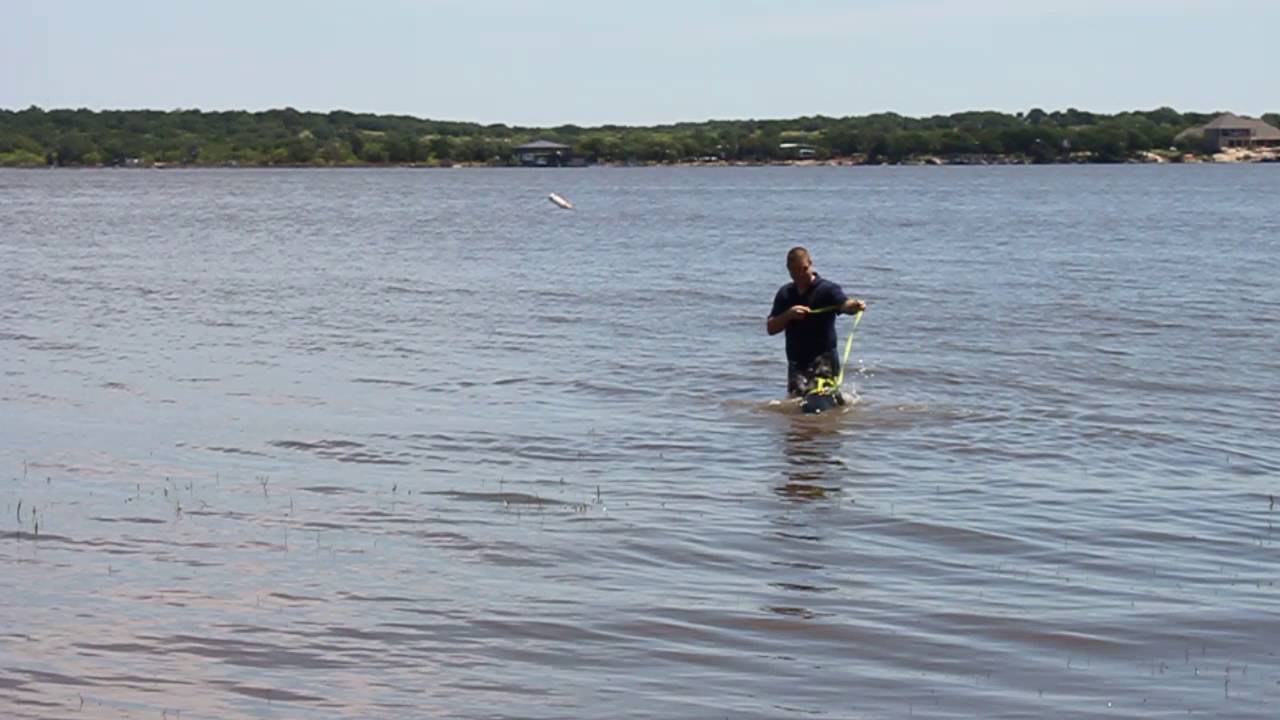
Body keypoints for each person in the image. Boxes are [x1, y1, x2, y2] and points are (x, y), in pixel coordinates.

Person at [766, 247, 867, 398]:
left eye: (803, 269)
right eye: (794, 271)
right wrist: (788, 315)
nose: (800, 274)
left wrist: (855, 305)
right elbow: (771, 328)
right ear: (789, 270)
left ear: (810, 264)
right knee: (796, 403)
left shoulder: (827, 290)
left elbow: (844, 304)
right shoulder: (785, 293)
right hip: (796, 362)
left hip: (824, 360)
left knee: (821, 403)